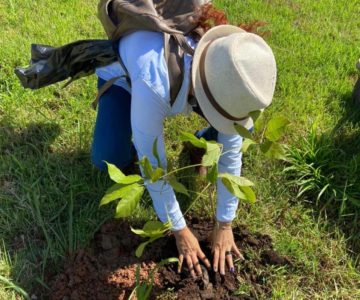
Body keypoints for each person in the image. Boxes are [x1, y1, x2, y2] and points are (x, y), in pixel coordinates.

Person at [92, 5, 276, 278]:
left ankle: (201, 143)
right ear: (201, 92)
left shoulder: (232, 79)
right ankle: (127, 134)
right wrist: (179, 229)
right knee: (107, 158)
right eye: (221, 114)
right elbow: (153, 166)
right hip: (126, 81)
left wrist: (225, 224)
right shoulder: (153, 79)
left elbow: (231, 153)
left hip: (178, 86)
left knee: (224, 138)